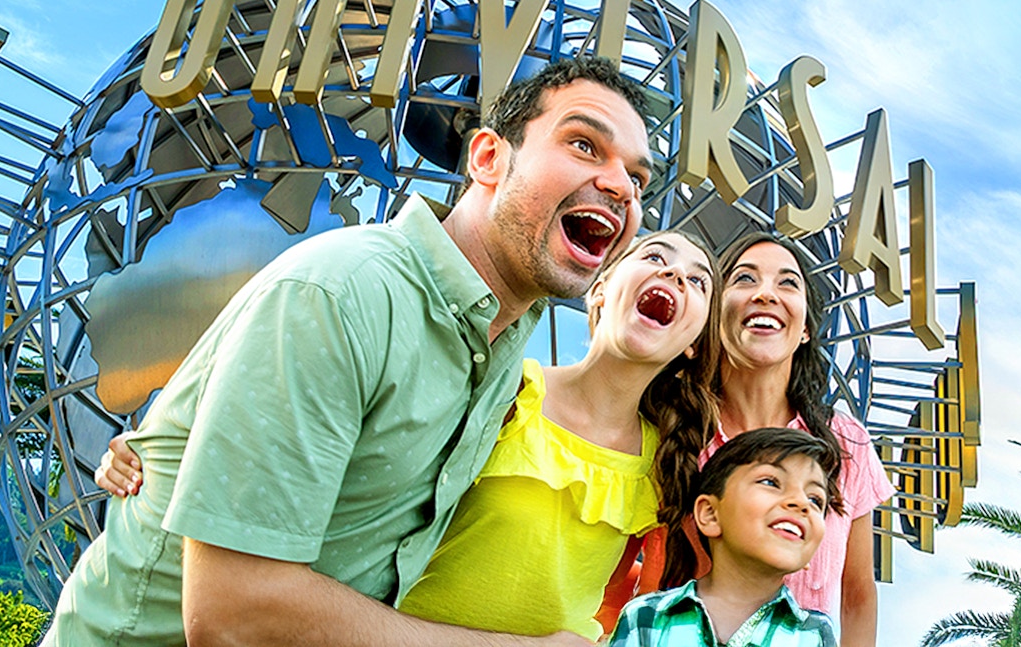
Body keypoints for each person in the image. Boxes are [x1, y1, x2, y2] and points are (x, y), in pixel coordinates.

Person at [43, 56, 653, 647]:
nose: (621, 185)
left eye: (638, 177)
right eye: (583, 144)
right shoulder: (341, 294)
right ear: (489, 157)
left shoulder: (504, 346)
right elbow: (234, 616)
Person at [98, 229, 724, 641]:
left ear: (694, 341)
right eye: (654, 257)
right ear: (601, 290)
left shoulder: (673, 464)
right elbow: (333, 446)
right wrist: (156, 453)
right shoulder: (504, 392)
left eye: (698, 281)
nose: (674, 277)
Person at [648, 232, 896, 647]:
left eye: (787, 283)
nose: (766, 294)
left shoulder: (846, 444)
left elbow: (856, 594)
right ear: (714, 314)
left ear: (804, 331)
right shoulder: (668, 428)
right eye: (744, 279)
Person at [608, 427, 842, 647]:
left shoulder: (814, 634)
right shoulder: (645, 617)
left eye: (815, 499)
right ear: (710, 514)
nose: (801, 503)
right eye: (770, 482)